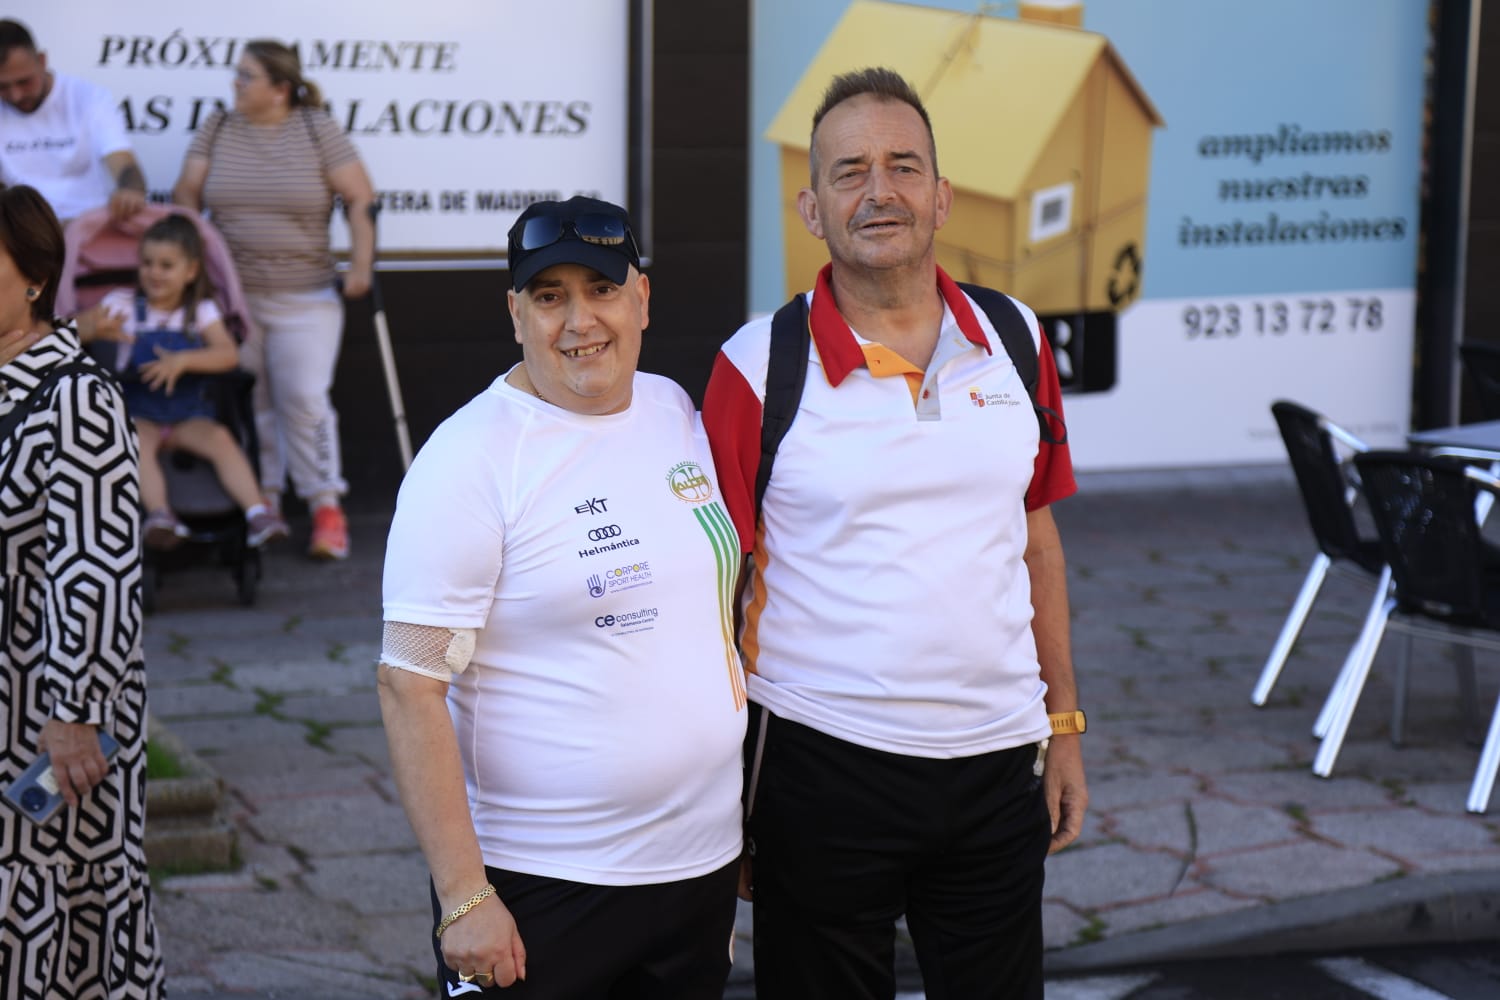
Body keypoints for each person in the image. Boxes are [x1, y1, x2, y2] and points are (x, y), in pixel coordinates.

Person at [701, 67, 1088, 1000]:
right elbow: (711, 588)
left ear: (943, 195)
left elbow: (1035, 542)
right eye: (850, 172)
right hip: (822, 765)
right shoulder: (756, 368)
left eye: (903, 166)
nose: (880, 191)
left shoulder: (1017, 336)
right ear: (811, 208)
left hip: (1000, 764)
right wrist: (719, 789)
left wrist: (1064, 725)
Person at [378, 196, 746, 997]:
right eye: (550, 297)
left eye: (601, 290)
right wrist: (463, 897)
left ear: (641, 298)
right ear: (516, 314)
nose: (580, 319)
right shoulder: (470, 457)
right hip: (542, 885)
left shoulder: (675, 410)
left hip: (698, 873)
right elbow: (409, 683)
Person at [0, 184, 163, 998]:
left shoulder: (76, 400)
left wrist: (72, 717)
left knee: (51, 909)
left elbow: (96, 572)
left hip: (43, 714)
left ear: (33, 277)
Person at [172, 39, 374, 561]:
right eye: (236, 74)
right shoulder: (218, 127)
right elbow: (186, 192)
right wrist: (200, 258)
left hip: (306, 295)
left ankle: (326, 504)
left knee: (304, 399)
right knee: (253, 398)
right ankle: (267, 498)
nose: (235, 84)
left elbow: (359, 197)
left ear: (280, 88)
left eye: (246, 76)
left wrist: (361, 265)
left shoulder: (315, 128)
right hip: (235, 296)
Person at [92, 213, 289, 550]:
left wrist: (183, 361)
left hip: (188, 416)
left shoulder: (200, 311)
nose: (154, 272)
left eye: (166, 265)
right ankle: (160, 515)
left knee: (223, 440)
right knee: (134, 443)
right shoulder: (121, 305)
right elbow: (84, 327)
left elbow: (228, 355)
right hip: (141, 414)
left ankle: (258, 512)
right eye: (147, 263)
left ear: (191, 271)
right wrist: (99, 331)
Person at [0, 20, 147, 223]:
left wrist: (130, 190)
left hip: (86, 227)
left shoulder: (89, 97)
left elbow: (121, 158)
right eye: (2, 87)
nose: (15, 95)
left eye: (24, 82)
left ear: (42, 61)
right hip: (19, 233)